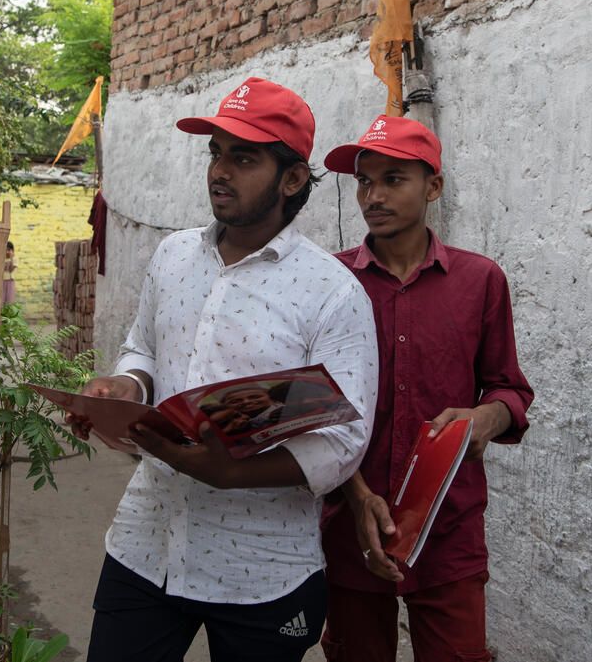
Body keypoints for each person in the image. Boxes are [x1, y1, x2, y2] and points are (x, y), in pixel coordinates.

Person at [75, 77, 379, 662]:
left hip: (263, 569)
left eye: (243, 158)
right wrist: (126, 385)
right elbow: (143, 348)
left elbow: (344, 442)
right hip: (147, 544)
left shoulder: (333, 292)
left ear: (293, 179)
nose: (219, 171)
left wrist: (231, 473)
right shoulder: (173, 256)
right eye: (216, 153)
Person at [318, 115, 535, 662]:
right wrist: (357, 497)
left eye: (393, 180)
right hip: (351, 527)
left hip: (448, 532)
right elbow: (318, 409)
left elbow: (509, 389)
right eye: (364, 181)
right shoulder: (329, 281)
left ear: (433, 187)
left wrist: (485, 418)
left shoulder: (480, 281)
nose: (373, 196)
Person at [2, 241, 18, 305]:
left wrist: (11, 258)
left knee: (10, 300)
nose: (7, 252)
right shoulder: (2, 259)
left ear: (12, 250)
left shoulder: (14, 259)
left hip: (10, 281)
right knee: (2, 300)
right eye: (6, 250)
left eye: (8, 250)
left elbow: (11, 269)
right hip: (2, 281)